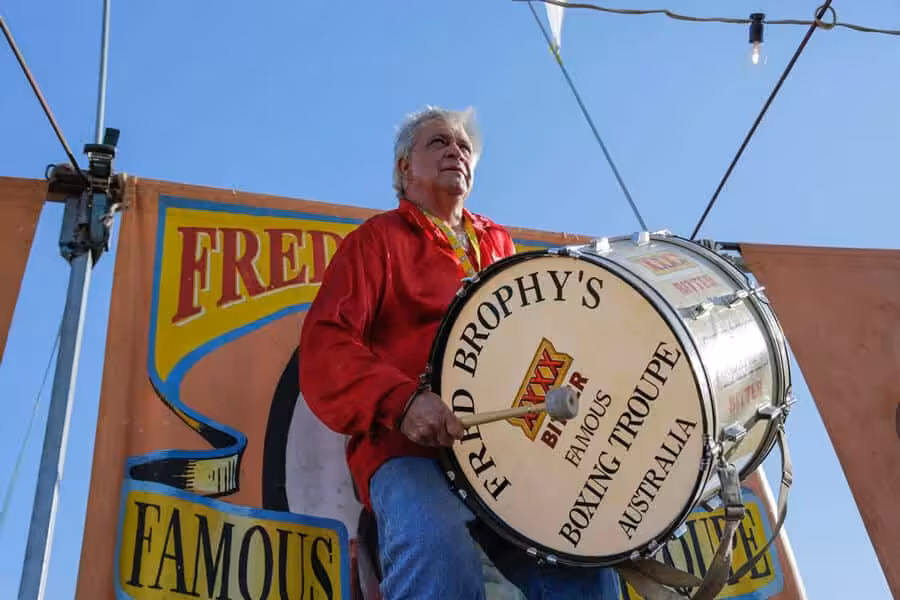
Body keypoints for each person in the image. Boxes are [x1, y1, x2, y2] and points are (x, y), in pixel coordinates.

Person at [299, 106, 620, 599]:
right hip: (411, 453)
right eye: (438, 143)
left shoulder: (499, 245)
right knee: (436, 549)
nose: (456, 151)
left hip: (511, 453)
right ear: (404, 169)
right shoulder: (376, 241)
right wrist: (403, 402)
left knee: (586, 568)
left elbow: (537, 342)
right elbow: (326, 345)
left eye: (464, 146)